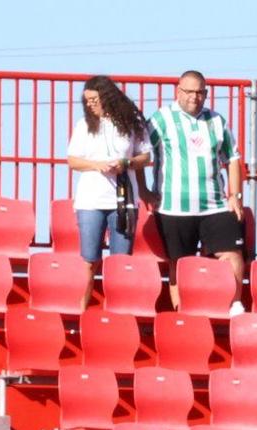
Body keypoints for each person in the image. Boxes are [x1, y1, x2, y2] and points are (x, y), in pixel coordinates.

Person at [144, 70, 245, 311]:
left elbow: (232, 158)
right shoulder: (161, 119)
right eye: (189, 91)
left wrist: (235, 195)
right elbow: (140, 152)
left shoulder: (217, 121)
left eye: (200, 92)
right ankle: (182, 313)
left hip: (215, 205)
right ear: (178, 91)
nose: (194, 97)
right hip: (174, 206)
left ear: (206, 94)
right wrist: (144, 191)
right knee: (180, 263)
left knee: (232, 254)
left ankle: (234, 305)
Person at [65, 75, 151, 306]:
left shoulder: (132, 122)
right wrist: (97, 165)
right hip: (91, 200)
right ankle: (81, 307)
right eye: (87, 100)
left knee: (120, 261)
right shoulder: (83, 125)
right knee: (89, 259)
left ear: (107, 97)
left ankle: (117, 308)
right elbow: (73, 160)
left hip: (124, 200)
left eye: (94, 99)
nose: (90, 104)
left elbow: (145, 156)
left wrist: (126, 163)